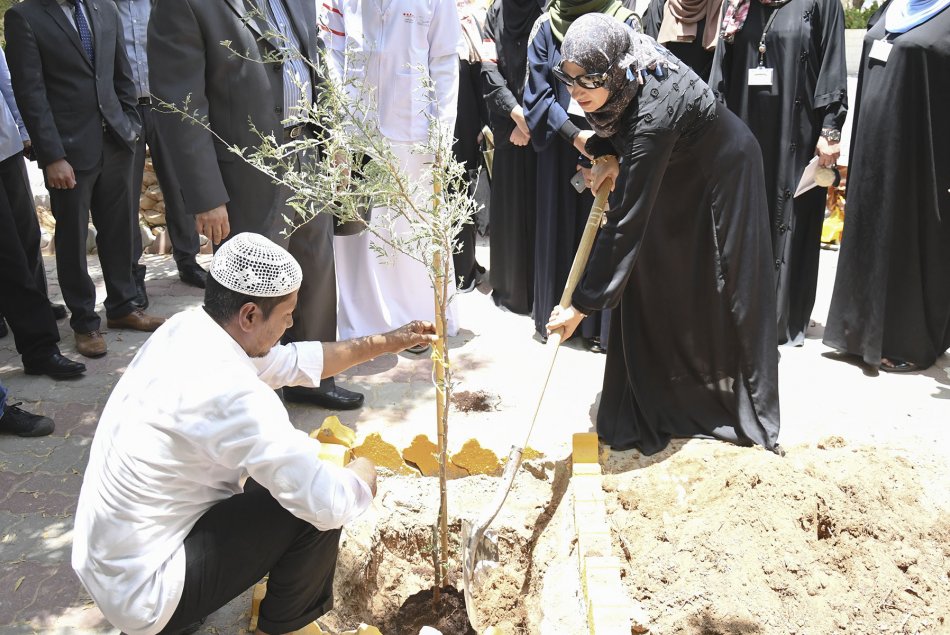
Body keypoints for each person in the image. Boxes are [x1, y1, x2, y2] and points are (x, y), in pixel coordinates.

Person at [72, 233, 437, 635]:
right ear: (249, 315)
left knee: (275, 482)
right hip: (144, 593)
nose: (291, 324)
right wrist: (363, 476)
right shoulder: (234, 393)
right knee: (312, 508)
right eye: (286, 315)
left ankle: (183, 613)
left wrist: (390, 341)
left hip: (110, 562)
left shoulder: (189, 329)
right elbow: (326, 503)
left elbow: (299, 361)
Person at [546, 14, 781, 455]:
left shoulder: (654, 104)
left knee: (724, 284)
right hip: (673, 168)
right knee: (656, 280)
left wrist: (582, 304)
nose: (574, 92)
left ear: (613, 73)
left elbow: (624, 223)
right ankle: (663, 396)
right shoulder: (622, 67)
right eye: (567, 77)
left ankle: (742, 406)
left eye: (585, 82)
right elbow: (626, 134)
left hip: (720, 172)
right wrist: (611, 156)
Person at [149, 0, 364, 410]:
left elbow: (316, 64)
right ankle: (251, 394)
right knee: (255, 291)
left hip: (308, 155)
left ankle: (312, 379)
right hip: (246, 172)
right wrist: (207, 196)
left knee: (315, 274)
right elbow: (181, 107)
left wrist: (334, 140)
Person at [5, 0, 166, 360]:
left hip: (117, 142)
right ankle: (84, 321)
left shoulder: (103, 9)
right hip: (68, 153)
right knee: (74, 237)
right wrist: (52, 156)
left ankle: (123, 306)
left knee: (120, 229)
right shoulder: (24, 17)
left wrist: (131, 127)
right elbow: (30, 93)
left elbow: (120, 72)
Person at [321, 0, 462, 347]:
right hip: (357, 131)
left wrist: (442, 134)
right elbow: (332, 54)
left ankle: (420, 322)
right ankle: (361, 325)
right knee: (357, 235)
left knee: (412, 230)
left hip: (414, 132)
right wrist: (339, 123)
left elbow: (444, 61)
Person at [709, 0, 848, 346]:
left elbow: (832, 63)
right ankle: (738, 309)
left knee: (789, 217)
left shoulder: (820, 3)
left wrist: (831, 130)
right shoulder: (738, 4)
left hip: (796, 135)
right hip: (744, 127)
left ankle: (779, 317)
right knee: (742, 218)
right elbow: (720, 72)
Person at [822, 0, 950, 372]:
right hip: (873, 143)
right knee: (867, 230)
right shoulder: (893, 8)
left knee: (906, 233)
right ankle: (856, 332)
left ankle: (905, 340)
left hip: (918, 152)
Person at [523, 0, 638, 349]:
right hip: (561, 145)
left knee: (604, 229)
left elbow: (634, 91)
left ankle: (597, 327)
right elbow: (538, 93)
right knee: (559, 226)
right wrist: (575, 136)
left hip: (611, 146)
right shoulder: (546, 25)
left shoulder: (623, 22)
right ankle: (554, 318)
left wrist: (604, 143)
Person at [0, 47, 86, 380]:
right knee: (8, 253)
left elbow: (6, 81)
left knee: (26, 237)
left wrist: (23, 133)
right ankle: (39, 349)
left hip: (6, 147)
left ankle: (32, 311)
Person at [113, 0, 207, 304]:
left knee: (179, 187)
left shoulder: (161, 5)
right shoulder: (101, 8)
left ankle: (188, 260)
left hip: (165, 106)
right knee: (125, 195)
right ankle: (131, 273)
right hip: (124, 110)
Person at [481, 0, 545, 315]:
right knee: (509, 208)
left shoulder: (548, 8)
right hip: (508, 126)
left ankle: (538, 293)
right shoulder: (496, 13)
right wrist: (514, 113)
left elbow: (549, 66)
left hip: (543, 128)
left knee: (539, 209)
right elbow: (488, 67)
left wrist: (530, 119)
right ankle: (509, 290)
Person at [452, 0, 490, 294]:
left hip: (459, 127)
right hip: (459, 127)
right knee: (458, 196)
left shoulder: (466, 20)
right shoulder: (467, 21)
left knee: (458, 195)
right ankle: (462, 272)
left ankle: (464, 270)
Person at [641, 0, 719, 81]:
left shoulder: (720, 6)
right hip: (669, 87)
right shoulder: (660, 4)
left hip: (705, 88)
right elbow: (651, 54)